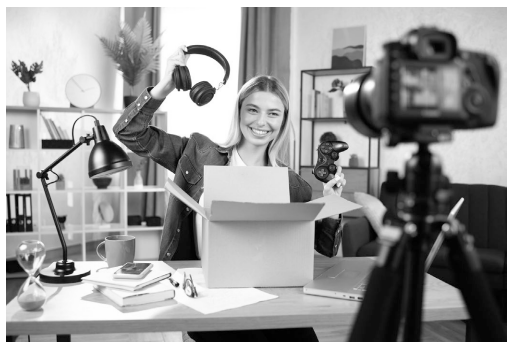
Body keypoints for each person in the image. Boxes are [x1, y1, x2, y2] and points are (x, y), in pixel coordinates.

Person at [113, 45, 347, 342]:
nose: (262, 122)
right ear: (239, 112)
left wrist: (333, 201)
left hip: (272, 297)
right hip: (208, 296)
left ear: (282, 121)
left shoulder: (293, 183)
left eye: (273, 113)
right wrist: (166, 85)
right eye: (253, 110)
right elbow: (128, 133)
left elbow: (324, 250)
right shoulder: (197, 153)